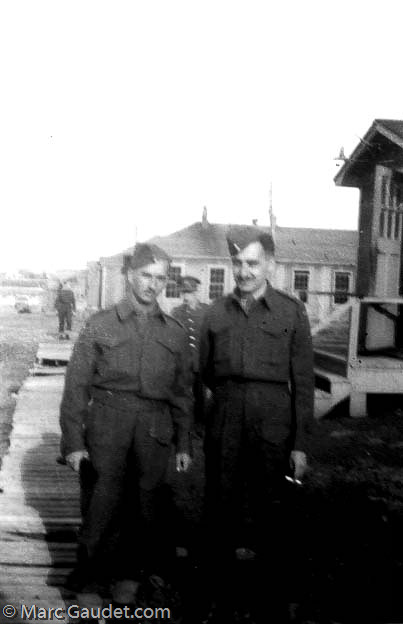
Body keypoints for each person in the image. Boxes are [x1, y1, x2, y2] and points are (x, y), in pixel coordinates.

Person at [59, 243, 193, 613]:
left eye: (160, 278)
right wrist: (74, 441)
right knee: (101, 504)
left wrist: (184, 443)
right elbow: (76, 386)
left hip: (155, 428)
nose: (152, 284)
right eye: (146, 275)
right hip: (108, 423)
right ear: (131, 275)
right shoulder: (100, 324)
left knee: (144, 505)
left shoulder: (175, 332)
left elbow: (182, 393)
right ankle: (89, 579)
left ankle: (128, 576)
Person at [199, 226, 314, 623]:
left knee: (274, 510)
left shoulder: (291, 311)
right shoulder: (215, 312)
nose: (244, 271)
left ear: (270, 264)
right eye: (237, 262)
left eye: (252, 263)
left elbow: (303, 382)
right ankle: (220, 599)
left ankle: (273, 601)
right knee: (221, 507)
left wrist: (300, 444)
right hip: (227, 415)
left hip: (273, 420)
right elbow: (205, 372)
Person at [172, 276, 210, 435]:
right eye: (184, 293)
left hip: (201, 362)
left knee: (200, 395)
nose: (186, 296)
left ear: (196, 292)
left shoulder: (207, 311)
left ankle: (199, 426)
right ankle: (183, 427)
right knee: (183, 394)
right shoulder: (177, 312)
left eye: (189, 293)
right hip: (184, 363)